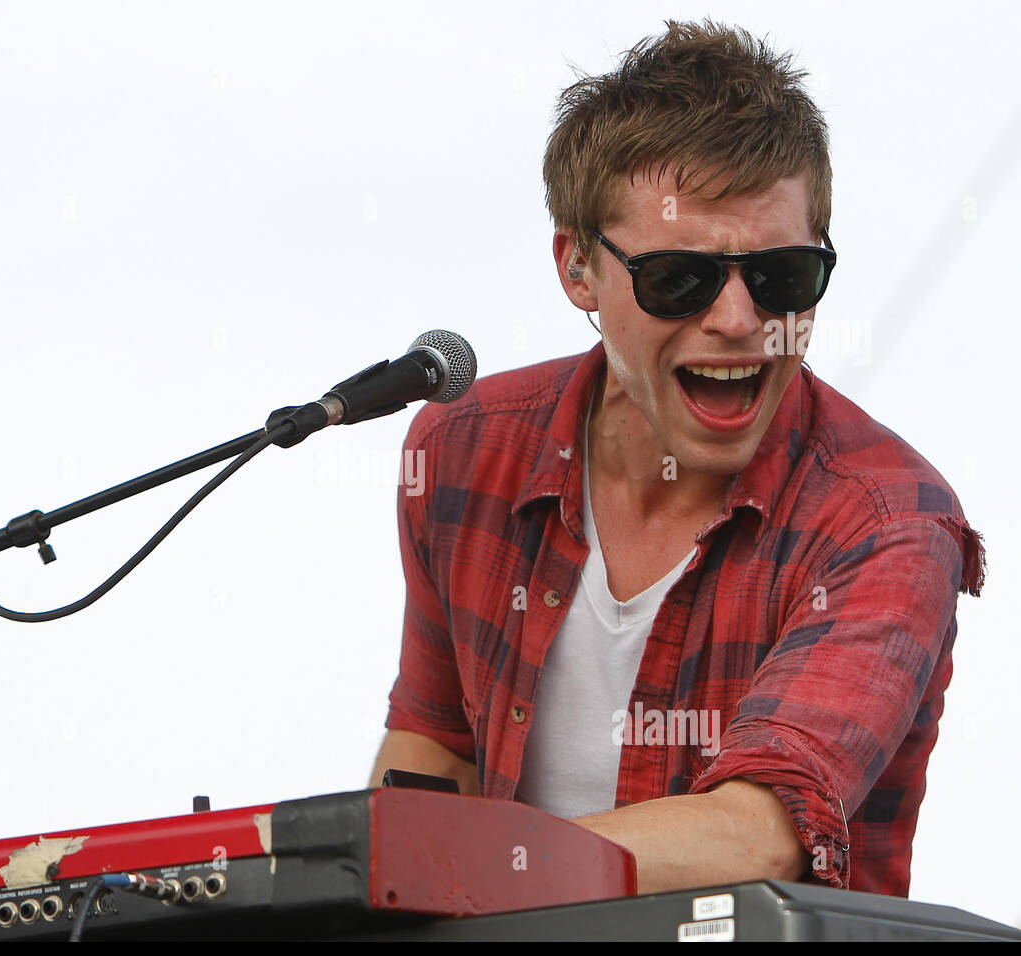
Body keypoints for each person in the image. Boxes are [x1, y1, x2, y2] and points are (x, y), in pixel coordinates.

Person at [369, 19, 984, 898]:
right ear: (577, 267)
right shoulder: (461, 446)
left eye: (782, 275)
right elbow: (433, 748)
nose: (739, 318)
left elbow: (756, 831)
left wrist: (466, 870)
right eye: (681, 279)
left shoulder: (889, 521)